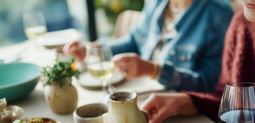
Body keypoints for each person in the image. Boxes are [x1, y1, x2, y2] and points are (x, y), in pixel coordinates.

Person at [63, 0, 234, 92]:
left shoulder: (220, 13)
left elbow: (210, 84)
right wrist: (96, 50)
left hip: (180, 105)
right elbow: (133, 41)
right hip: (141, 90)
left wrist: (154, 70)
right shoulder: (157, 2)